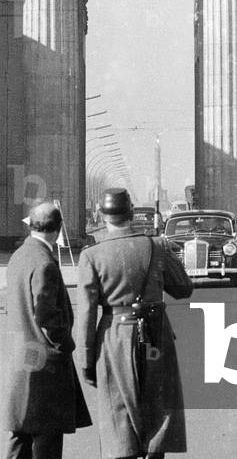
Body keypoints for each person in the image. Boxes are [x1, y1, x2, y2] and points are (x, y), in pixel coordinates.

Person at [76, 188, 193, 459]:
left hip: (114, 337)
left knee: (118, 414)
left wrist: (86, 361)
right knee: (157, 409)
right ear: (131, 213)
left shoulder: (91, 256)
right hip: (155, 336)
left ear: (102, 217)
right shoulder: (156, 246)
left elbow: (86, 314)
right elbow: (184, 289)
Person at [1, 201, 91, 459]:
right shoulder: (44, 263)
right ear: (58, 228)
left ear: (31, 225)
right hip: (44, 365)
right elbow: (47, 316)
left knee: (20, 434)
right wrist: (65, 345)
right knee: (47, 441)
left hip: (20, 359)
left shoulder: (19, 256)